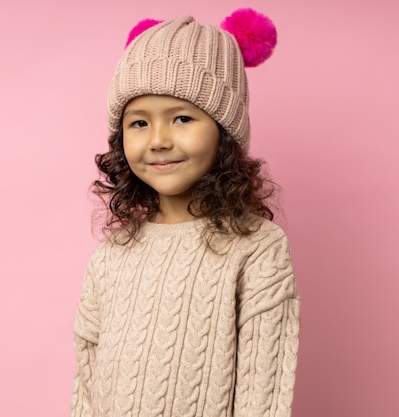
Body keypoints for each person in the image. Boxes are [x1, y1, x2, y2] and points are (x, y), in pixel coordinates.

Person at [71, 8, 300, 417]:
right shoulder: (112, 253)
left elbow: (260, 397)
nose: (158, 140)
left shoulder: (258, 249)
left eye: (181, 118)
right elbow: (86, 386)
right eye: (139, 123)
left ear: (224, 133)